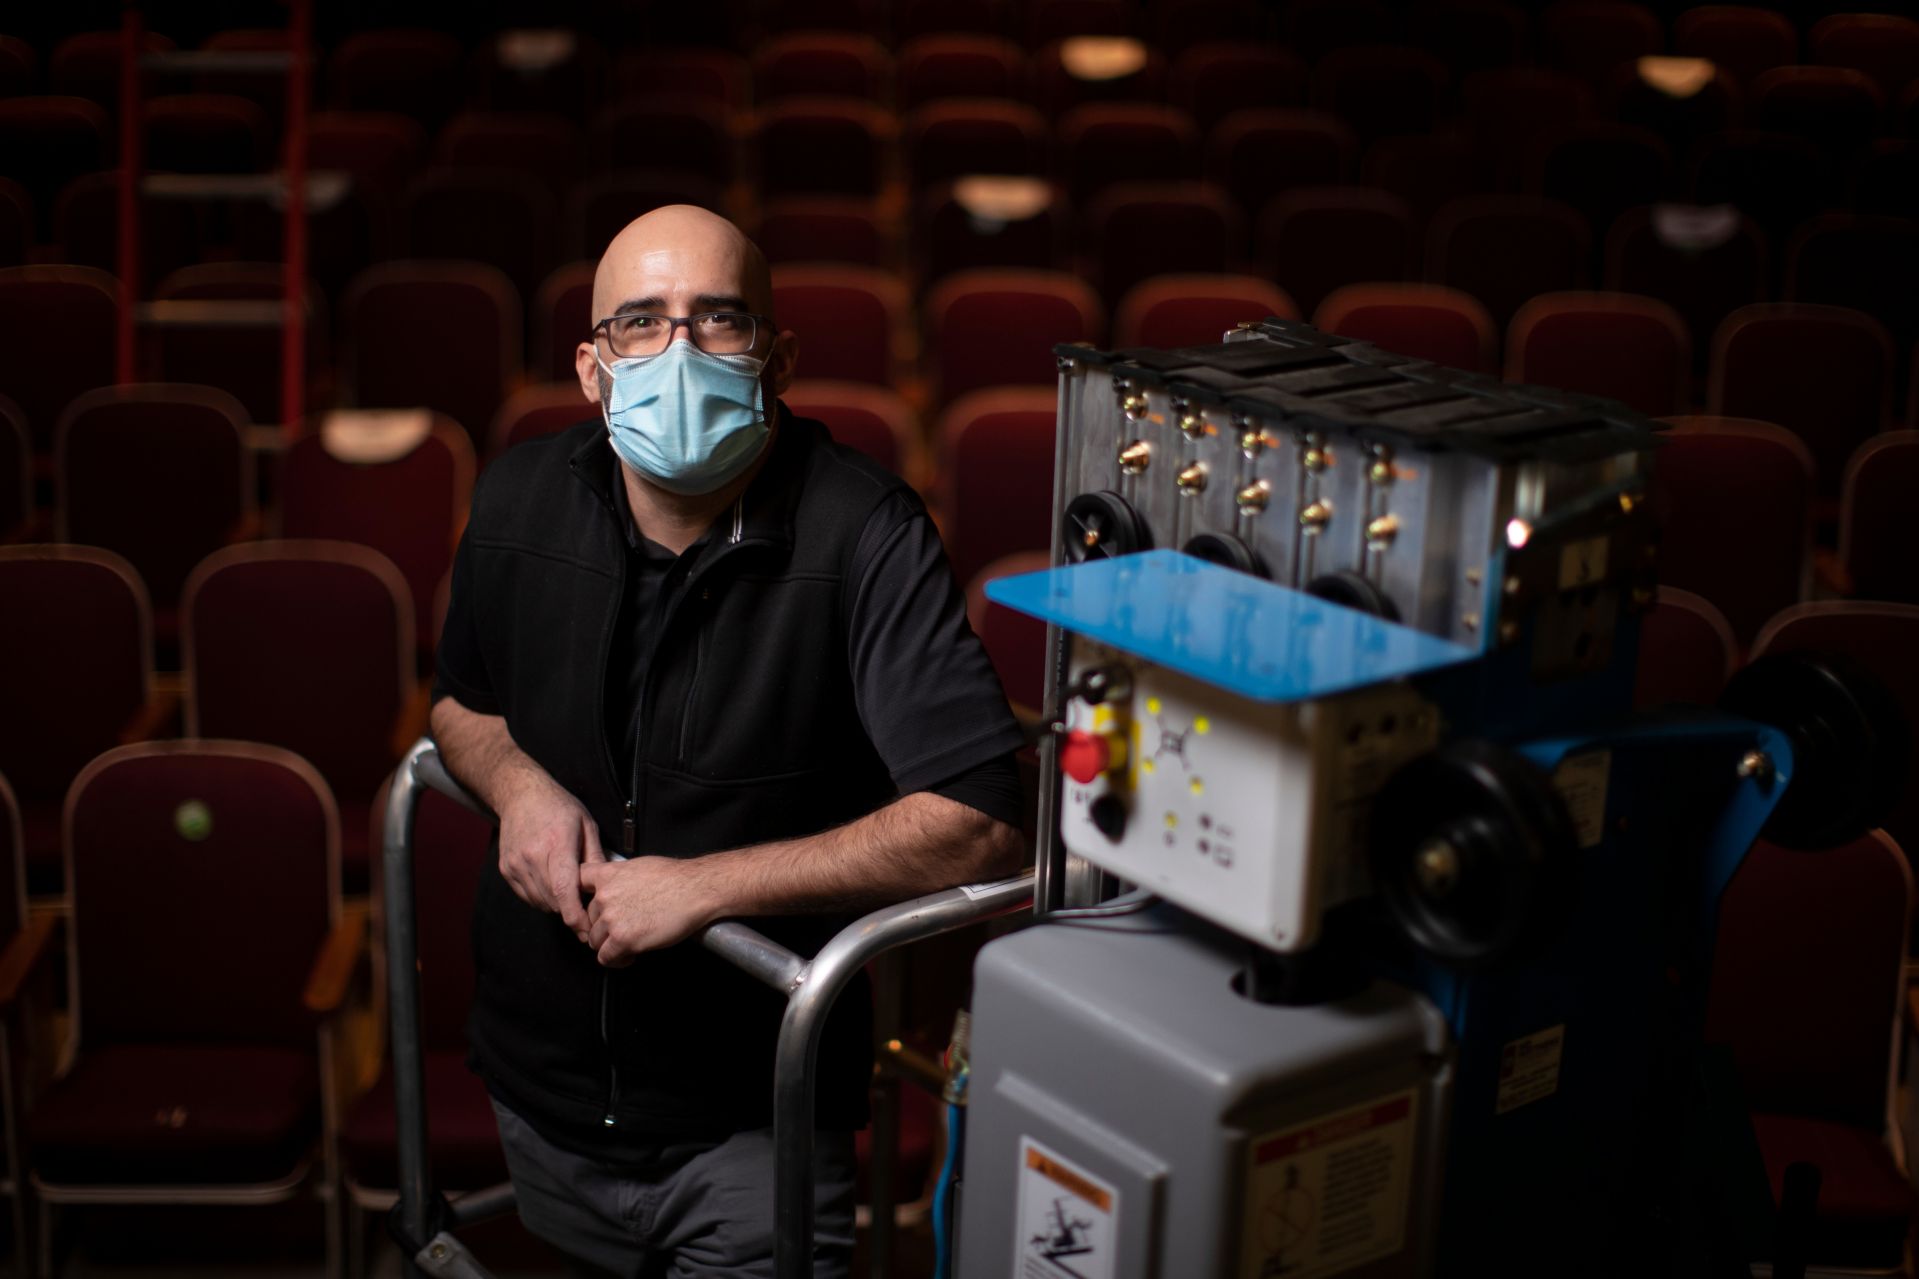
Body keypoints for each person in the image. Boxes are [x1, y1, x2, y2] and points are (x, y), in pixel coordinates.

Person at [429, 204, 1028, 1277]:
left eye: (717, 321)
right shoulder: (519, 498)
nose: (677, 351)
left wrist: (705, 886)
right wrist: (517, 785)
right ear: (590, 367)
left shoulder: (864, 534)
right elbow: (459, 706)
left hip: (749, 1117)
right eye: (640, 324)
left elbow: (978, 820)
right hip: (541, 1087)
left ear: (776, 356)